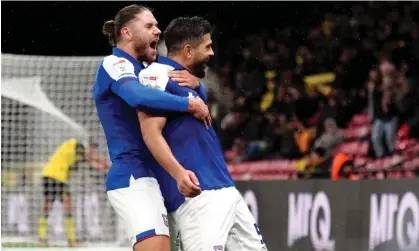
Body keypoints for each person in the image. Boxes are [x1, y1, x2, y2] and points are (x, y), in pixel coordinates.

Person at [138, 16, 267, 251]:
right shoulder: (157, 75)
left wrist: (198, 85)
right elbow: (150, 133)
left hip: (226, 189)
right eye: (207, 46)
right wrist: (179, 175)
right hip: (198, 196)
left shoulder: (191, 82)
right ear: (188, 51)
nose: (212, 53)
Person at [93, 5, 210, 251]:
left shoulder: (147, 72)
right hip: (134, 176)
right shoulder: (113, 63)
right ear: (126, 32)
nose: (158, 31)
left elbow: (189, 93)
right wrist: (188, 104)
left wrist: (197, 85)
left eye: (156, 25)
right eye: (149, 26)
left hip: (163, 178)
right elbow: (136, 96)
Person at [38, 138, 108, 247]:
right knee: (64, 207)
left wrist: (102, 165)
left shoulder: (78, 157)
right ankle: (69, 241)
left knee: (52, 207)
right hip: (56, 177)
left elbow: (91, 161)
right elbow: (90, 157)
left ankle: (44, 239)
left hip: (50, 175)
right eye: (93, 149)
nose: (93, 152)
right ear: (88, 146)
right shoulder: (76, 145)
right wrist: (104, 162)